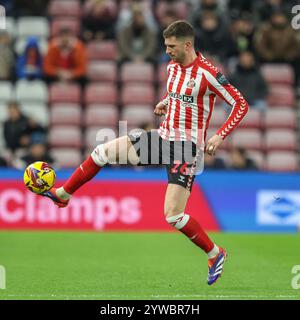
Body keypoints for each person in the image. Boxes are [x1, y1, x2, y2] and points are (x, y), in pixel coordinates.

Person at [39, 21, 249, 285]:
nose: (168, 51)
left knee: (173, 215)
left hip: (186, 149)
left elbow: (240, 104)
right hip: (162, 139)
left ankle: (215, 253)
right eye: (165, 46)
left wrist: (220, 135)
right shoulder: (172, 66)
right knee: (102, 152)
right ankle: (63, 194)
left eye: (172, 47)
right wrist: (166, 101)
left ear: (187, 45)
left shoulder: (208, 73)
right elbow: (178, 94)